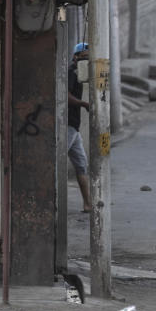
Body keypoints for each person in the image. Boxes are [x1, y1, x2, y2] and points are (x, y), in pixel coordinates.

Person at [67, 43, 92, 212]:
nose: (86, 60)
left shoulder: (80, 74)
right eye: (83, 57)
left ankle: (88, 204)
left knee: (81, 164)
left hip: (74, 127)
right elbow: (65, 95)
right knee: (57, 162)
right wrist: (83, 104)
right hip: (67, 124)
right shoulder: (70, 73)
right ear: (75, 57)